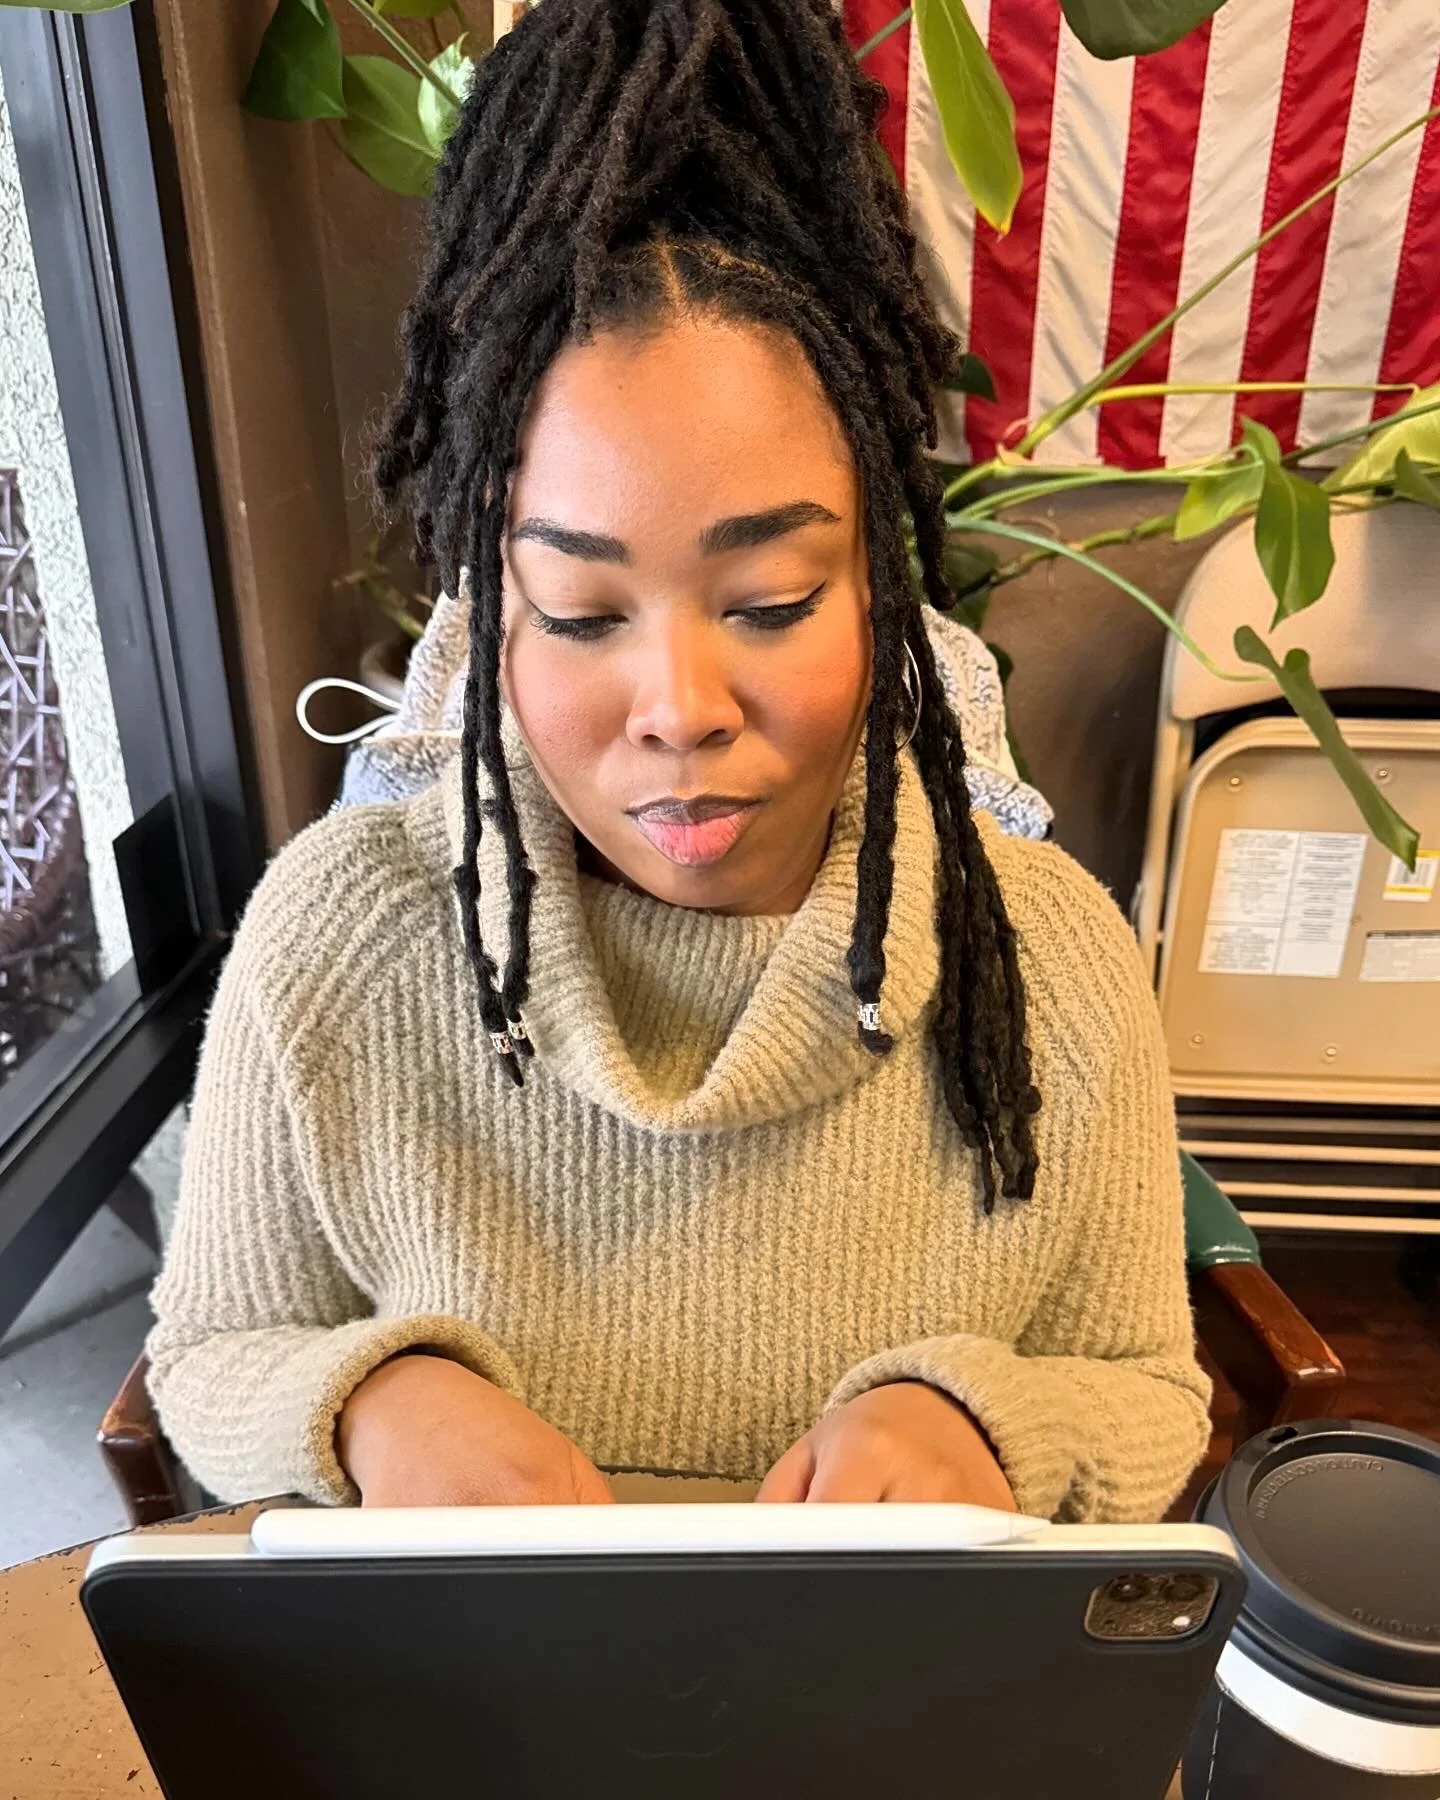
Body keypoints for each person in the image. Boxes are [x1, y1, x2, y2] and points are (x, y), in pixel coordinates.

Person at [147, 0, 1209, 1521]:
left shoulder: (1046, 965)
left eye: (771, 602)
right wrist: (372, 1403)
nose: (679, 705)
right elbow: (210, 1351)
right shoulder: (341, 936)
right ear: (487, 615)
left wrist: (983, 1423)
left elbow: (1147, 1388)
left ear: (883, 595)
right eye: (579, 613)